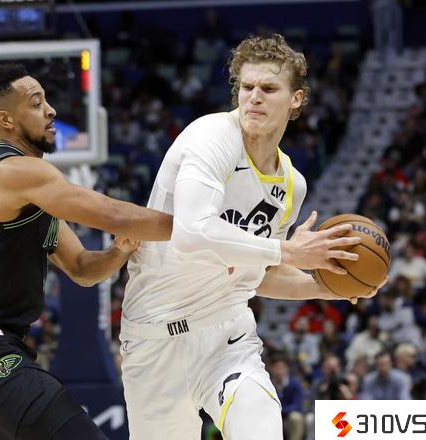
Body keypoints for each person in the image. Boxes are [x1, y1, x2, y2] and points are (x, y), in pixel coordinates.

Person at [120, 34, 385, 440]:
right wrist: (288, 251)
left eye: (268, 88)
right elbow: (192, 232)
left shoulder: (292, 184)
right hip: (156, 337)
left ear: (296, 99)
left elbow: (260, 273)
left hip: (227, 334)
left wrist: (328, 287)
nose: (254, 97)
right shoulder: (212, 136)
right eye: (247, 87)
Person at [0, 64, 172, 440]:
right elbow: (113, 214)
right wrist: (198, 229)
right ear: (6, 120)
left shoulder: (30, 198)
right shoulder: (14, 171)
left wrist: (117, 252)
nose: (51, 110)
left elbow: (82, 268)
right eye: (37, 103)